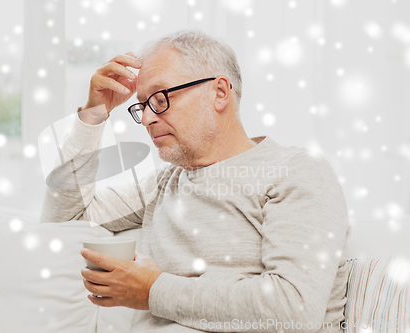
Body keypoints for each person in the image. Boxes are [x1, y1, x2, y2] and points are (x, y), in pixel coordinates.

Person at [40, 29, 351, 332]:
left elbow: (293, 310)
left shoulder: (294, 170)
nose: (147, 118)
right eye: (143, 105)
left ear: (219, 93)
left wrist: (152, 290)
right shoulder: (162, 186)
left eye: (160, 98)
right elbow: (65, 217)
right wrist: (93, 116)